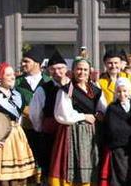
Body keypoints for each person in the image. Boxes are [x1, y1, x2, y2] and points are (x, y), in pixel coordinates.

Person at [48, 57, 104, 186]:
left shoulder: (94, 90)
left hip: (92, 133)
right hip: (72, 132)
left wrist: (100, 114)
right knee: (73, 165)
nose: (82, 72)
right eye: (79, 69)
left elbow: (102, 108)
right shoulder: (68, 89)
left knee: (91, 163)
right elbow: (63, 114)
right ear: (72, 71)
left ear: (90, 72)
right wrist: (84, 116)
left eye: (85, 70)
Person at [29, 50, 70, 178]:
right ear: (49, 71)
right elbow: (35, 114)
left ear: (66, 69)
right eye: (53, 69)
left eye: (60, 68)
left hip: (70, 134)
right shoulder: (43, 89)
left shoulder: (75, 86)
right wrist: (42, 128)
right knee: (50, 168)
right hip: (50, 135)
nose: (57, 72)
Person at [99, 77, 131, 186]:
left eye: (124, 91)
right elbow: (112, 128)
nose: (122, 94)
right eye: (119, 91)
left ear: (129, 91)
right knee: (121, 175)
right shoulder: (112, 108)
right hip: (119, 148)